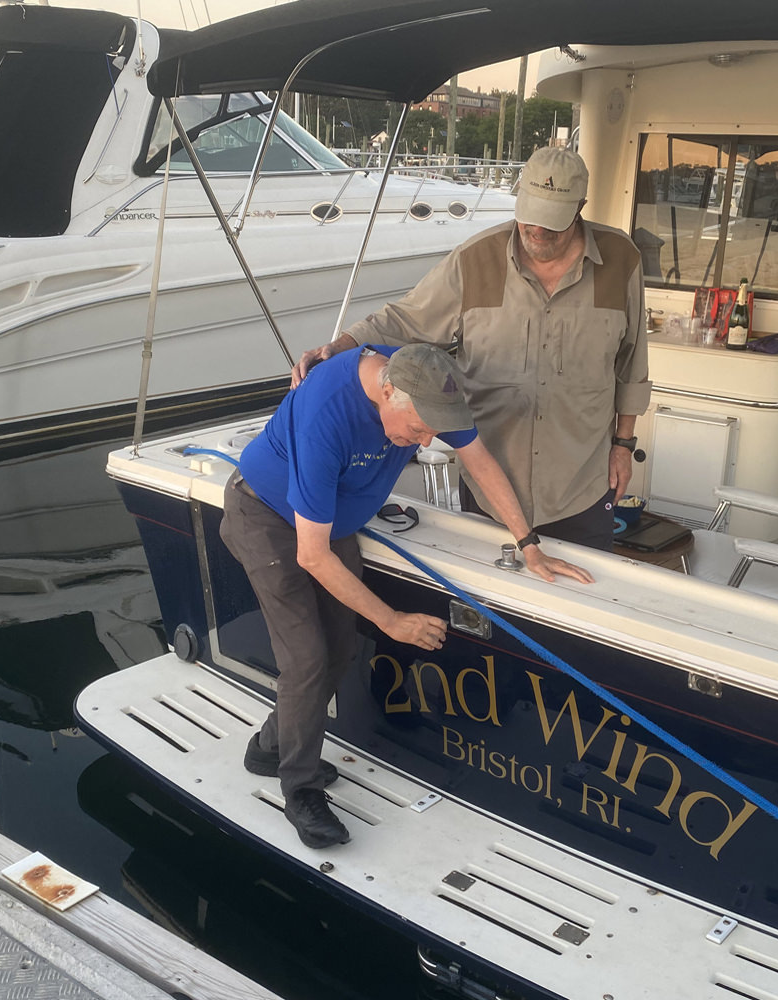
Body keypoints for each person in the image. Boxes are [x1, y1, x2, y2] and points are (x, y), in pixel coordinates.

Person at [223, 343, 592, 849]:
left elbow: (478, 461)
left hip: (328, 521)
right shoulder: (326, 414)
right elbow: (311, 556)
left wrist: (528, 545)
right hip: (266, 515)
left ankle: (270, 747)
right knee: (306, 658)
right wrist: (392, 620)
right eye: (417, 430)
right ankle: (300, 789)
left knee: (341, 650)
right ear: (385, 390)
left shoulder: (429, 384)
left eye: (431, 432)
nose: (422, 441)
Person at [292, 146, 651, 551]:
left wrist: (623, 446)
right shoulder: (476, 258)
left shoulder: (623, 260)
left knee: (581, 605)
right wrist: (340, 345)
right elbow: (405, 320)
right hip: (489, 485)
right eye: (530, 217)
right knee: (486, 607)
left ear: (580, 207)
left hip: (582, 486)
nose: (536, 232)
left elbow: (632, 366)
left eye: (551, 225)